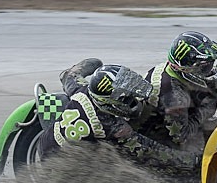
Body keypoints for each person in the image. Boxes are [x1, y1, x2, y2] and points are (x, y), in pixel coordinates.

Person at [38, 62, 200, 174]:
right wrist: (192, 161)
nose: (135, 100)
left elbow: (69, 75)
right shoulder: (113, 126)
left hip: (49, 139)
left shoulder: (83, 90)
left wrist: (88, 65)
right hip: (60, 161)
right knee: (127, 172)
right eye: (128, 99)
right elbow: (149, 150)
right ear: (111, 104)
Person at [139, 31, 217, 153]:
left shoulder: (174, 68)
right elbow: (181, 136)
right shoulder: (174, 98)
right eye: (205, 67)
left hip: (168, 117)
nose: (210, 70)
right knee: (205, 157)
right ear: (188, 69)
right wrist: (211, 103)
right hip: (158, 139)